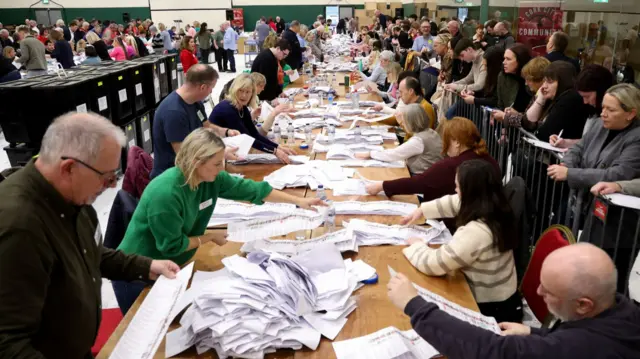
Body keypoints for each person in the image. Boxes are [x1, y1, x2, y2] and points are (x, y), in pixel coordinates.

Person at [0, 113, 180, 357]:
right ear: (69, 168)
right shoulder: (19, 227)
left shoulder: (70, 195)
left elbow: (89, 252)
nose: (113, 185)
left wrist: (146, 265)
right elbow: (9, 343)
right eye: (106, 177)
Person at [114, 128, 323, 313]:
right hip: (138, 274)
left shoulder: (210, 178)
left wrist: (299, 202)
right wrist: (209, 236)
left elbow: (253, 190)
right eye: (216, 164)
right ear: (196, 162)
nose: (221, 168)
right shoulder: (166, 193)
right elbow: (171, 245)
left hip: (174, 266)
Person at [388, 242, 640, 358]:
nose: (538, 292)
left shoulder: (583, 347)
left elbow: (495, 351)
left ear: (583, 304)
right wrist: (534, 332)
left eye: (549, 291)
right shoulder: (616, 307)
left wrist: (415, 306)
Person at [401, 159, 521, 323]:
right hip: (506, 299)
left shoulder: (476, 232)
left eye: (458, 187)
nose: (455, 190)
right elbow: (455, 202)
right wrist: (423, 209)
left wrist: (416, 246)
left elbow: (434, 264)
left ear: (470, 192)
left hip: (490, 310)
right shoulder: (495, 206)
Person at [366, 117, 500, 201]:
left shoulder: (452, 165)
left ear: (456, 142)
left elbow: (419, 182)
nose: (445, 145)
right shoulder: (489, 159)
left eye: (446, 140)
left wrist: (382, 186)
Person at [151, 65, 237, 179]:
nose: (211, 91)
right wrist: (220, 155)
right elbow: (183, 155)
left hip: (194, 167)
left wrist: (226, 132)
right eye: (211, 88)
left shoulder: (195, 103)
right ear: (202, 87)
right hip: (172, 176)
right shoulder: (174, 112)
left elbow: (207, 126)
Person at [548, 84, 640, 188]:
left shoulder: (637, 138)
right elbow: (578, 148)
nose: (603, 114)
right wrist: (566, 165)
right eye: (603, 107)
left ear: (631, 114)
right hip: (579, 198)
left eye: (611, 110)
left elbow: (619, 173)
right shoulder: (599, 124)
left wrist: (570, 173)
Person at [209, 73, 295, 163]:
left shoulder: (243, 108)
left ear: (252, 93)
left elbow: (255, 134)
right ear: (234, 90)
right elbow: (248, 138)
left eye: (247, 92)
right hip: (215, 155)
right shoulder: (227, 109)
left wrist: (278, 147)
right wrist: (275, 151)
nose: (244, 95)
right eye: (241, 91)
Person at [356, 103, 443, 175]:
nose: (402, 124)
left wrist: (370, 154)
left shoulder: (418, 141)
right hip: (431, 176)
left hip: (420, 178)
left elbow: (393, 154)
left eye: (404, 121)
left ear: (411, 122)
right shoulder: (431, 132)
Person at [526, 61, 588, 143]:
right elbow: (527, 123)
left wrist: (536, 131)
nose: (544, 86)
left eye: (549, 82)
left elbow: (544, 134)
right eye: (544, 81)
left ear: (563, 81)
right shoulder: (554, 97)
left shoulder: (569, 99)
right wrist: (541, 99)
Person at [471, 44, 533, 112]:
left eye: (508, 59)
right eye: (504, 58)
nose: (504, 62)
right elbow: (499, 102)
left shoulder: (531, 79)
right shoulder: (503, 76)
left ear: (520, 60)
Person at [448, 47, 504, 120]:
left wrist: (474, 99)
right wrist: (473, 93)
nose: (484, 68)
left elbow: (495, 99)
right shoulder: (491, 75)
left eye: (486, 65)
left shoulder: (500, 78)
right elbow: (485, 91)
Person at [499, 57, 551, 129]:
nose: (526, 83)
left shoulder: (545, 98)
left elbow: (530, 123)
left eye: (528, 80)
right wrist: (516, 114)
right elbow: (527, 118)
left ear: (538, 79)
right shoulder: (536, 94)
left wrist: (505, 117)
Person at [574, 64, 615, 136]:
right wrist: (567, 142)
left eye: (587, 96)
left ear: (601, 92)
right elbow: (587, 141)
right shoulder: (593, 111)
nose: (585, 102)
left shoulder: (612, 118)